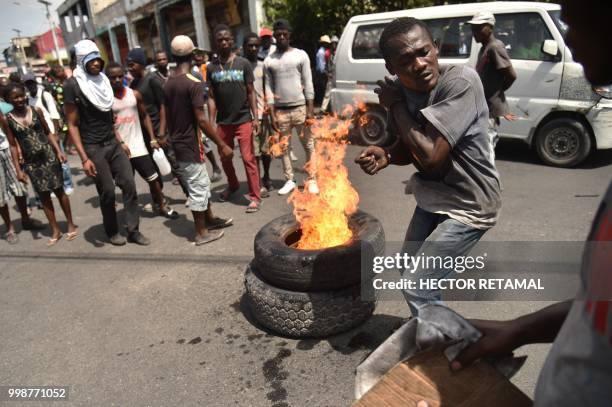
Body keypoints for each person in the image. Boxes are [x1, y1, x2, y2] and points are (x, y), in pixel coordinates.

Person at [442, 1, 612, 406]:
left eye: (574, 20)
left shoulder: (496, 48)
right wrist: (518, 329)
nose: (568, 36)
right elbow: (598, 306)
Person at [355, 17, 501, 316]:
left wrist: (393, 106)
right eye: (406, 60)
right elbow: (411, 148)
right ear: (391, 67)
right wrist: (387, 154)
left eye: (424, 52)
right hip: (434, 196)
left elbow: (432, 154)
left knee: (418, 285)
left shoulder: (461, 82)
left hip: (470, 204)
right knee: (409, 270)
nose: (420, 64)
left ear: (436, 47)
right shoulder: (400, 90)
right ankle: (426, 328)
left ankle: (446, 348)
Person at [64, 39, 149, 246]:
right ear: (82, 60)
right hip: (93, 147)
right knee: (108, 191)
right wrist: (84, 158)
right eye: (90, 60)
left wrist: (120, 141)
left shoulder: (103, 81)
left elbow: (108, 115)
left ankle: (133, 230)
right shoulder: (73, 85)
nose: (95, 63)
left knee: (129, 184)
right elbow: (72, 124)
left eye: (97, 59)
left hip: (113, 142)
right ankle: (112, 231)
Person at [164, 35, 233, 245]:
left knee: (201, 182)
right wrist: (222, 144)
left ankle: (209, 220)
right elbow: (202, 120)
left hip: (179, 141)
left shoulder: (168, 82)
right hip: (189, 143)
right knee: (197, 188)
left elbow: (167, 113)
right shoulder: (193, 83)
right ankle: (201, 232)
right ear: (193, 55)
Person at [4, 83, 77, 246]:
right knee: (43, 197)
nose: (19, 99)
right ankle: (55, 230)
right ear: (8, 99)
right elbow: (13, 145)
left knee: (60, 191)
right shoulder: (7, 119)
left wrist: (59, 151)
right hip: (32, 163)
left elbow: (47, 132)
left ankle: (70, 224)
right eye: (15, 97)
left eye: (21, 95)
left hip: (49, 156)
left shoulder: (36, 110)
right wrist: (18, 169)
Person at [106, 62, 178, 220]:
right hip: (120, 150)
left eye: (120, 76)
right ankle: (131, 217)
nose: (117, 80)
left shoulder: (135, 94)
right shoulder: (106, 100)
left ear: (124, 76)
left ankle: (162, 206)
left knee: (153, 179)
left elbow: (145, 116)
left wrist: (152, 138)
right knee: (127, 185)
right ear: (107, 79)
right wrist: (121, 143)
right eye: (113, 77)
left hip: (138, 146)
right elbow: (109, 125)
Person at [207, 25, 261, 213]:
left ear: (232, 41)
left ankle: (255, 196)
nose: (223, 42)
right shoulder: (211, 67)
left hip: (244, 118)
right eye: (220, 39)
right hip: (223, 122)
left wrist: (255, 117)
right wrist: (211, 121)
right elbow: (212, 97)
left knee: (248, 158)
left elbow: (251, 92)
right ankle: (233, 184)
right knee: (225, 157)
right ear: (216, 42)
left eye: (227, 39)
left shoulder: (243, 63)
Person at [264, 19, 317, 196]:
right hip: (280, 111)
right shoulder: (269, 60)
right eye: (278, 35)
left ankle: (312, 180)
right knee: (284, 147)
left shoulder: (300, 55)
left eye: (284, 34)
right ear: (274, 37)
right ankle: (289, 180)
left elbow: (308, 82)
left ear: (289, 35)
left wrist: (310, 110)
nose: (281, 37)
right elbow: (268, 88)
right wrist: (271, 112)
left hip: (300, 108)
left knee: (309, 145)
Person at [468, 11, 517, 149]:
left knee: (486, 148)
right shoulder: (485, 48)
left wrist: (497, 92)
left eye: (478, 28)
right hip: (483, 107)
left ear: (490, 27)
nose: (474, 32)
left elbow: (511, 75)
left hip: (490, 108)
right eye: (473, 29)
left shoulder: (495, 47)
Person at [24, 73, 74, 196]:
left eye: (32, 83)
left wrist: (56, 133)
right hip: (39, 137)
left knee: (61, 160)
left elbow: (54, 114)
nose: (31, 86)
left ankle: (67, 184)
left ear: (35, 82)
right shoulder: (27, 99)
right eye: (28, 84)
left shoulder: (45, 95)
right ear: (25, 85)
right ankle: (55, 185)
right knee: (48, 162)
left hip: (51, 132)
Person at [0, 110, 45, 244]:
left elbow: (7, 129)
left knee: (19, 186)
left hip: (7, 149)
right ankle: (10, 229)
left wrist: (17, 148)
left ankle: (26, 220)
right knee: (0, 196)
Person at [244, 32, 272, 196]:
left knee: (266, 150)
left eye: (256, 45)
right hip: (249, 117)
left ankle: (266, 176)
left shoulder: (264, 66)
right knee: (255, 153)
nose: (254, 48)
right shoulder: (240, 66)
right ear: (245, 47)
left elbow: (268, 90)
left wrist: (271, 113)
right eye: (250, 45)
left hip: (265, 115)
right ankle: (258, 183)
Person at [191, 48, 224, 183]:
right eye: (195, 55)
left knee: (204, 140)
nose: (198, 58)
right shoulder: (191, 70)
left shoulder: (208, 67)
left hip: (203, 105)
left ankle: (215, 167)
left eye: (200, 55)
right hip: (191, 109)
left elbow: (206, 89)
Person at [320, 35, 339, 112]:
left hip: (338, 75)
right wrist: (327, 73)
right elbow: (326, 65)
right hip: (331, 75)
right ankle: (323, 109)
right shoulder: (328, 53)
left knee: (337, 93)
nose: (334, 45)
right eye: (333, 43)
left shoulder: (339, 52)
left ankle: (334, 109)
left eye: (335, 43)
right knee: (328, 93)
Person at [315, 35, 331, 106]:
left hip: (321, 73)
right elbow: (321, 68)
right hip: (321, 74)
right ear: (324, 43)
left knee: (322, 89)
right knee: (322, 89)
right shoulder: (321, 52)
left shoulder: (323, 51)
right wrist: (327, 74)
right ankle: (320, 105)